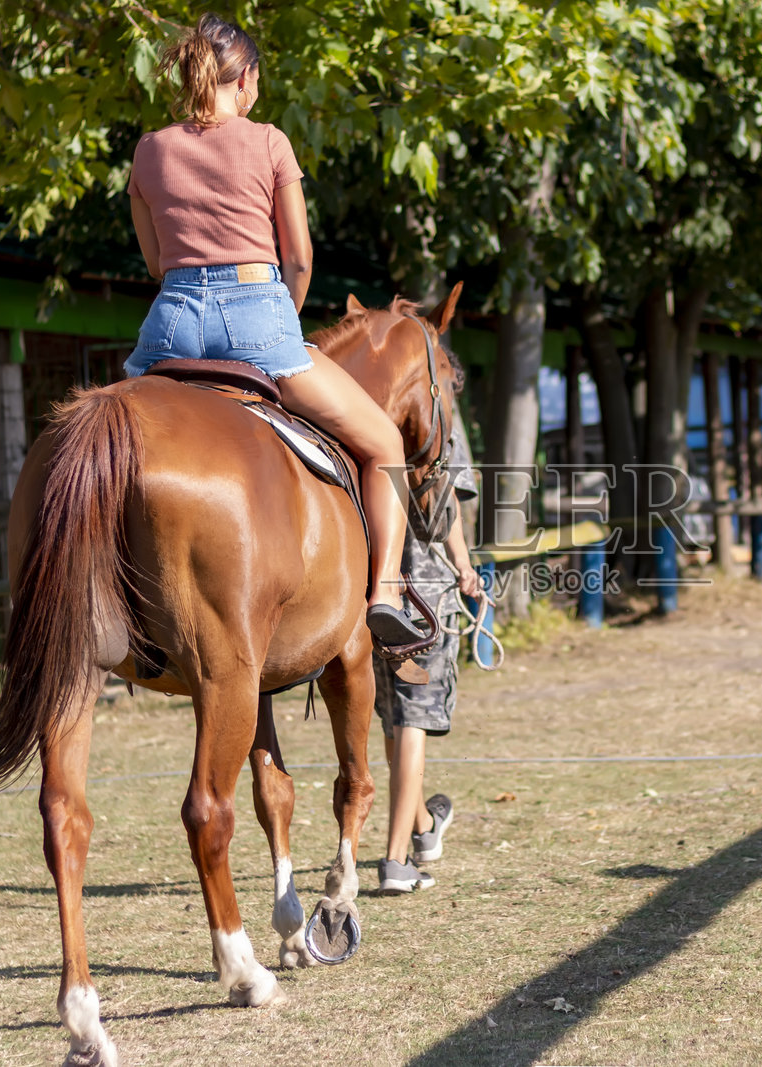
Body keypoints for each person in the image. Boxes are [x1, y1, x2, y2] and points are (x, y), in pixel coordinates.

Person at [124, 13, 424, 649]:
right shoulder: (269, 142)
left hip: (171, 325)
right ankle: (388, 591)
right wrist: (281, 318)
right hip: (258, 316)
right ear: (245, 80)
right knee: (382, 444)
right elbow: (300, 259)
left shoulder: (149, 150)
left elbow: (155, 263)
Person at [376, 415, 482, 893]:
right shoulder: (436, 415)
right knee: (412, 719)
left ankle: (423, 825)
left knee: (393, 719)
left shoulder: (362, 414)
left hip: (373, 594)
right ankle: (396, 860)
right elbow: (446, 498)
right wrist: (464, 565)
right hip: (426, 597)